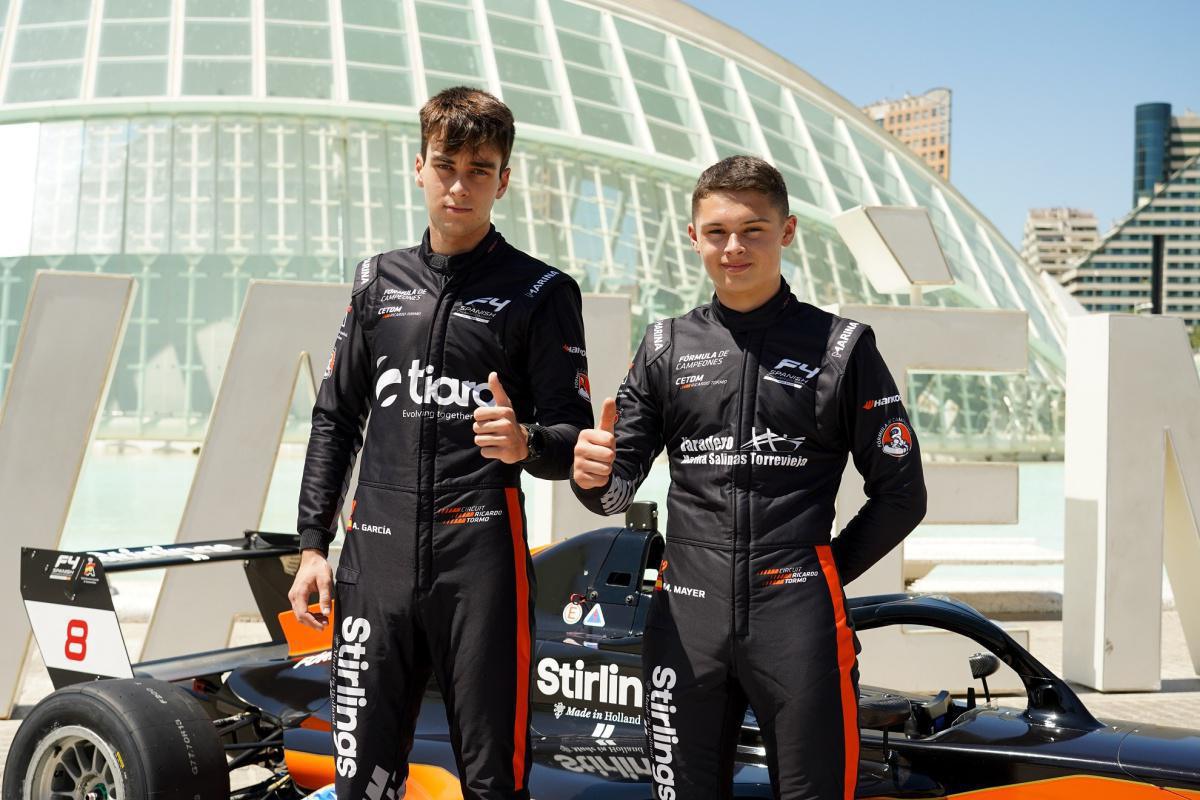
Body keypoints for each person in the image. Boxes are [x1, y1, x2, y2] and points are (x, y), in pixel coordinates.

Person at [572, 156, 927, 800]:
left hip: (797, 623)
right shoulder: (666, 345)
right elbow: (618, 486)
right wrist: (591, 478)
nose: (733, 248)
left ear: (787, 231)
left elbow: (903, 494)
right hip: (686, 623)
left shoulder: (843, 347)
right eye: (716, 232)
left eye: (753, 230)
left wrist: (820, 573)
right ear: (693, 237)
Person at [291, 86, 593, 800]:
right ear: (419, 167)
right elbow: (336, 417)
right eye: (446, 164)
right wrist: (311, 546)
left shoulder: (542, 291)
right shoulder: (377, 280)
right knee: (361, 776)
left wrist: (525, 443)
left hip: (479, 564)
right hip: (376, 562)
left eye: (480, 169)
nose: (460, 185)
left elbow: (571, 437)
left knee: (492, 778)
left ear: (504, 180)